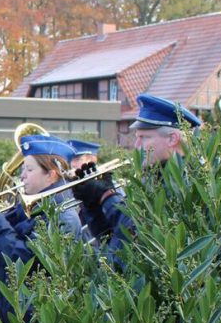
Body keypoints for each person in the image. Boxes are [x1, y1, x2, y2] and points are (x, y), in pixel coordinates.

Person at [0, 135, 85, 323]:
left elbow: (25, 260)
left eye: (29, 169)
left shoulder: (63, 215)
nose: (22, 176)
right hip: (14, 317)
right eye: (23, 169)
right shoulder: (28, 206)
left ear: (52, 174)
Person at [73, 94, 202, 263]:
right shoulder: (150, 179)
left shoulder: (185, 182)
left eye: (144, 137)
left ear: (172, 138)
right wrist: (92, 205)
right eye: (137, 137)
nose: (136, 146)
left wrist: (107, 197)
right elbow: (114, 241)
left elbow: (137, 230)